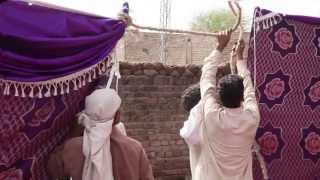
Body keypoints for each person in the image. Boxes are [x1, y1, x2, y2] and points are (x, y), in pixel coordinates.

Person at [181, 30, 260, 180]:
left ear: (219, 97)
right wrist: (239, 58)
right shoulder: (252, 118)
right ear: (242, 97)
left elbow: (206, 79)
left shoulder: (211, 115)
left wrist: (219, 47)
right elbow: (249, 88)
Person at [47, 88, 154, 180]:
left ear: (86, 115)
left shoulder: (70, 147)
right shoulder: (134, 148)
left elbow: (52, 171)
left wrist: (75, 131)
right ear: (117, 117)